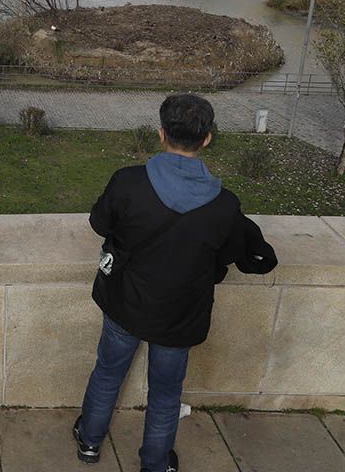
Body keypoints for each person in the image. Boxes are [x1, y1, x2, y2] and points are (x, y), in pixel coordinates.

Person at [73, 93, 275, 472]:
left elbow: (100, 223)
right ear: (208, 138)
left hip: (126, 302)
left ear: (162, 134)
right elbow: (228, 253)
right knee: (166, 394)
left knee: (107, 372)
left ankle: (89, 442)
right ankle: (154, 464)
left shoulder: (128, 182)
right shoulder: (224, 205)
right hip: (181, 314)